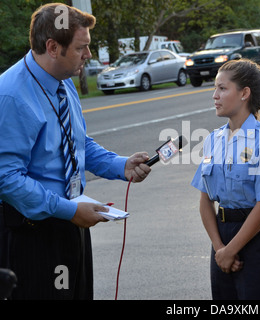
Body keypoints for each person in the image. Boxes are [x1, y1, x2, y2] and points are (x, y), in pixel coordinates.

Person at [0, 3, 151, 299]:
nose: (89, 55)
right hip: (33, 235)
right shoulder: (11, 95)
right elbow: (7, 178)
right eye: (82, 48)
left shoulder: (63, 81)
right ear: (53, 47)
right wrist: (70, 211)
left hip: (71, 223)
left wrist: (121, 166)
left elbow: (77, 143)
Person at [191, 59, 260, 300]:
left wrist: (231, 250)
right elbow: (205, 201)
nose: (215, 95)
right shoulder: (213, 140)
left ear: (244, 93)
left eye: (223, 88)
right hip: (221, 238)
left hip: (257, 241)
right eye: (215, 88)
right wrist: (220, 249)